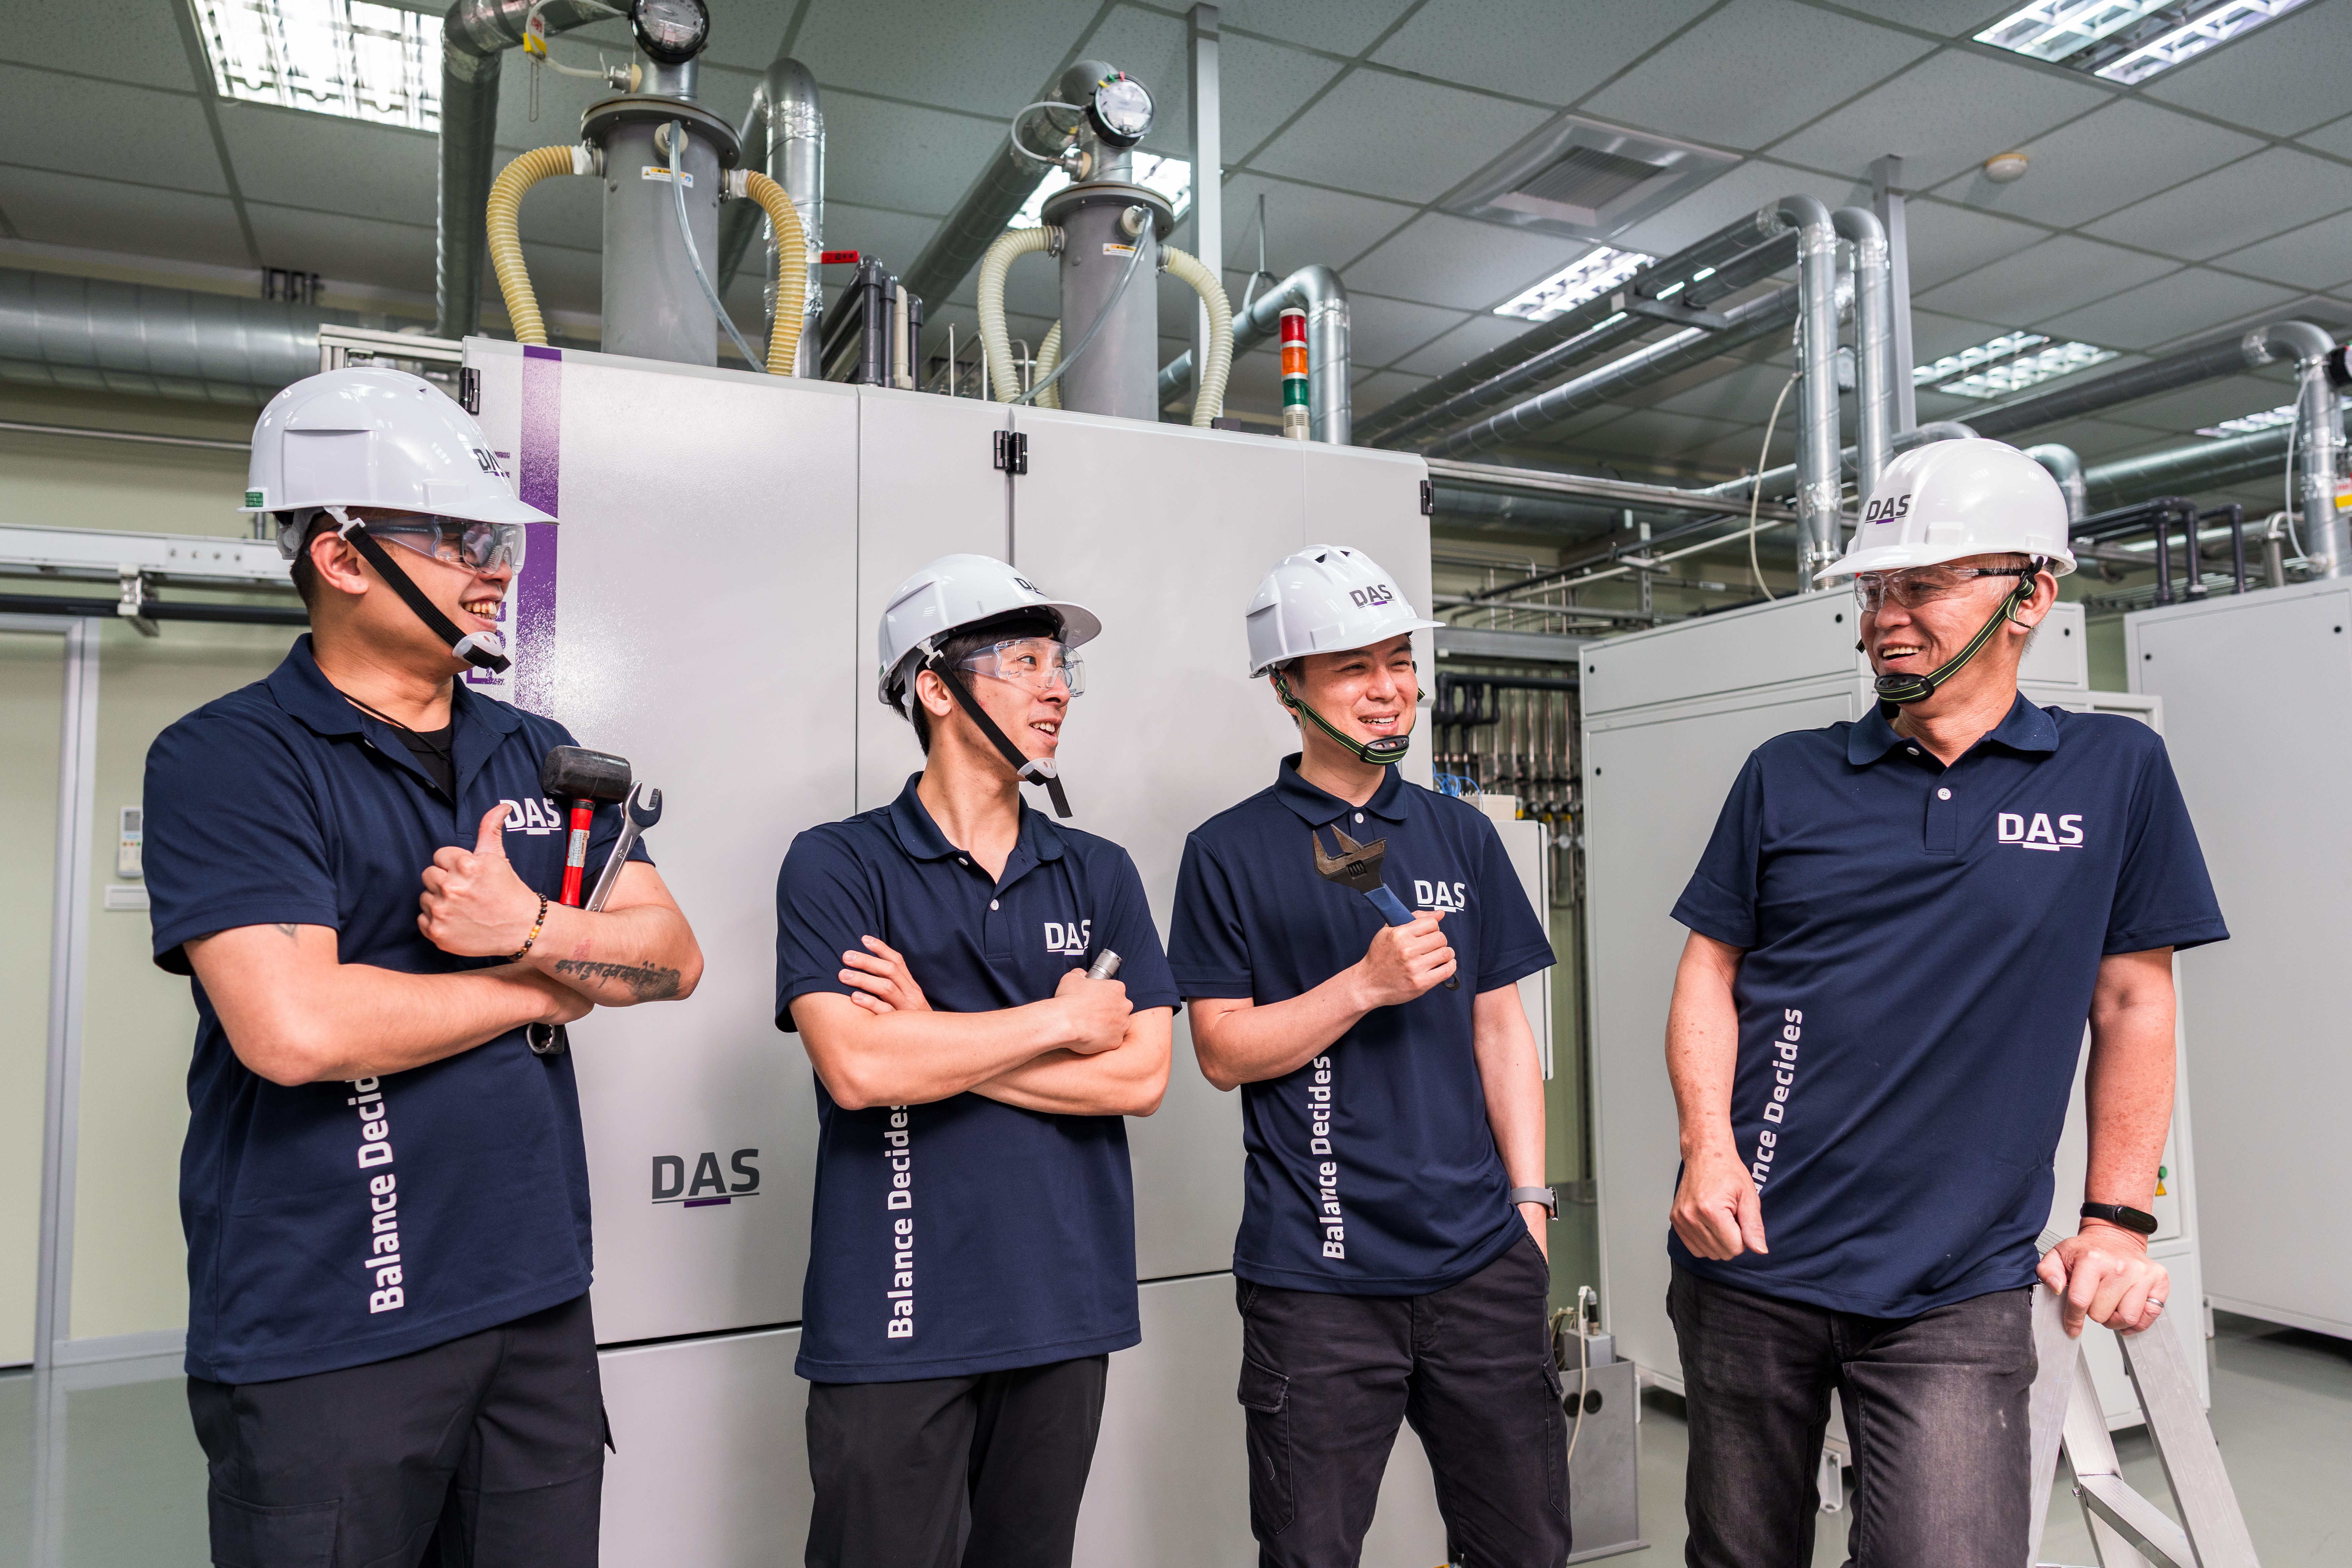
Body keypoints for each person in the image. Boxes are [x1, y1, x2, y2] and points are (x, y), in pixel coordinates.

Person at [144, 365, 704, 1568]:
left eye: (494, 533)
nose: (493, 566)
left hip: (535, 1304)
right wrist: (548, 982)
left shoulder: (542, 753)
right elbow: (294, 1029)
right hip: (324, 1329)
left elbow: (672, 958)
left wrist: (536, 930)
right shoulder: (230, 761)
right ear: (342, 557)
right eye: (456, 536)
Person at [1662, 438, 2228, 1568]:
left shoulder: (2114, 773)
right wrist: (1706, 1152)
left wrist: (2119, 1218)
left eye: (1921, 585)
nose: (1886, 618)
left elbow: (2131, 1001)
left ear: (2033, 595)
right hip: (1749, 1260)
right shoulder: (1787, 772)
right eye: (1875, 591)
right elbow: (1710, 973)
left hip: (1955, 1286)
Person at [1168, 545, 1570, 1568]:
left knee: (1524, 1547)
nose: (1390, 689)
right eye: (1354, 667)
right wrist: (1364, 985)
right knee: (1311, 1555)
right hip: (1319, 1279)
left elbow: (1501, 1027)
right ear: (1287, 688)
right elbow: (1221, 1051)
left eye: (1399, 660)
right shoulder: (1230, 851)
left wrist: (1530, 1199)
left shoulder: (1461, 836)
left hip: (1481, 1264)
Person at [773, 553, 1179, 1568]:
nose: (1056, 689)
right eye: (1026, 661)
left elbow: (1141, 1078)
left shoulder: (1098, 870)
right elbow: (860, 1073)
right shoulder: (838, 862)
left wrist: (935, 1034)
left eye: (1062, 668)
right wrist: (1058, 1021)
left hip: (1062, 1308)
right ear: (936, 686)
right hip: (894, 1314)